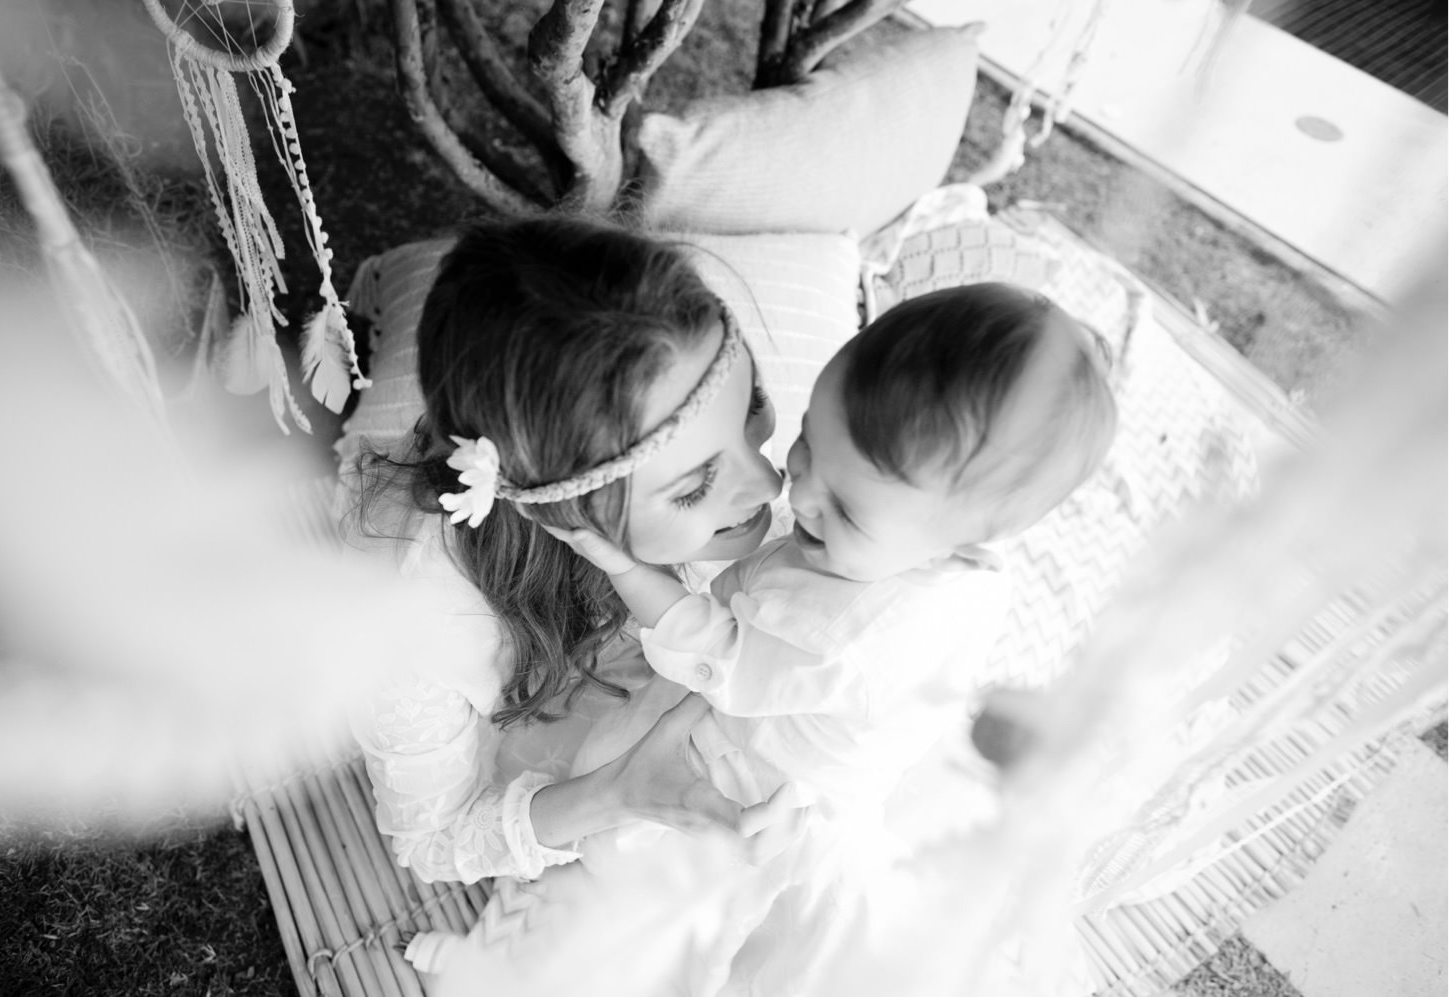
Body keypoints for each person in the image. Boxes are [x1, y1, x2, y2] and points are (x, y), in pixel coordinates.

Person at [507, 283, 1115, 993]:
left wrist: (622, 565)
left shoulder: (854, 637)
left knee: (692, 929)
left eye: (846, 511)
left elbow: (714, 652)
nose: (798, 493)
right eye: (807, 444)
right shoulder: (917, 536)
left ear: (970, 542)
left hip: (758, 796)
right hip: (784, 733)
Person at [344, 215, 803, 989]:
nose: (769, 482)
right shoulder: (419, 622)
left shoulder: (743, 478)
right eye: (693, 485)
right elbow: (431, 841)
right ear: (564, 513)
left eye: (752, 406)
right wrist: (621, 792)